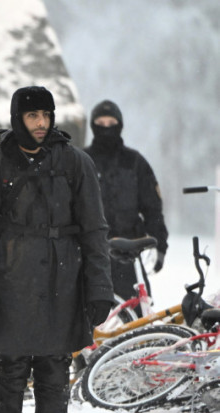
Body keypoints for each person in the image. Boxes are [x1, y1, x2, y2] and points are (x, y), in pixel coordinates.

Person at [0, 86, 113, 413]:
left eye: (46, 115)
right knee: (8, 379)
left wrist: (99, 287)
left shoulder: (75, 163)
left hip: (63, 282)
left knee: (53, 377)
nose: (41, 123)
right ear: (18, 118)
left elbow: (95, 229)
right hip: (8, 283)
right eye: (33, 116)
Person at [84, 99, 168, 301]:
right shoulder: (81, 161)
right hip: (90, 254)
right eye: (101, 124)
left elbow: (153, 209)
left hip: (128, 254)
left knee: (138, 316)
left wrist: (161, 245)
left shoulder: (134, 162)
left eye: (111, 123)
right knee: (88, 317)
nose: (106, 129)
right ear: (93, 126)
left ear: (119, 125)